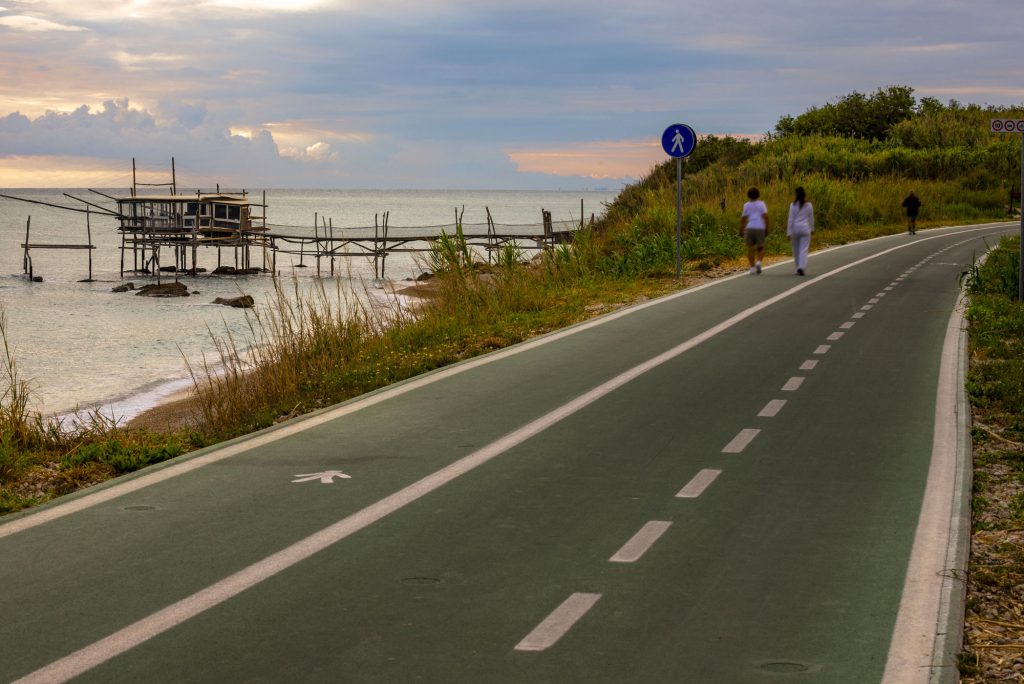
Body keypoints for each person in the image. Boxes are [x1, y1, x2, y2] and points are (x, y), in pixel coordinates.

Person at [740, 187, 769, 274]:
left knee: (750, 249)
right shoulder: (761, 204)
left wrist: (741, 229)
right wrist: (767, 228)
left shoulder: (746, 205)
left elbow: (743, 218)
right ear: (758, 194)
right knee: (761, 248)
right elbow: (766, 216)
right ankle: (759, 262)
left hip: (750, 227)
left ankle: (752, 268)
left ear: (748, 195)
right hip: (760, 227)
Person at [787, 186, 814, 276]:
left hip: (795, 229)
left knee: (796, 250)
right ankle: (801, 267)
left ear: (796, 194)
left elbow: (790, 219)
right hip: (805, 229)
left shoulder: (793, 205)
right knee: (804, 249)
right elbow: (811, 218)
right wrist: (812, 229)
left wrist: (789, 232)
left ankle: (798, 267)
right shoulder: (809, 205)